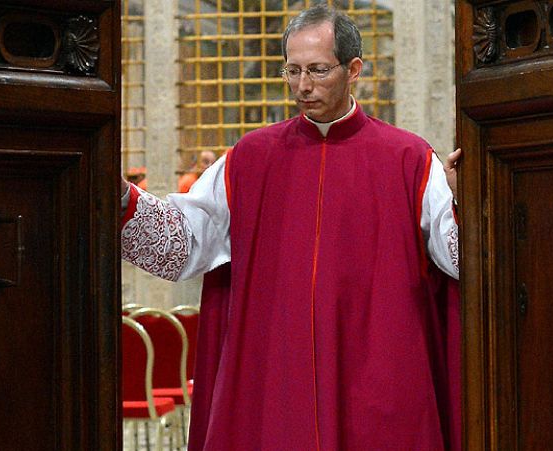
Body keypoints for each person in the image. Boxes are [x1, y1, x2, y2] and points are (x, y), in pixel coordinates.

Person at [120, 5, 462, 450]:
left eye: (318, 70)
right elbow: (183, 243)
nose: (303, 86)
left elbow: (458, 261)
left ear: (353, 69)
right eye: (293, 70)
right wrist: (121, 198)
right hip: (276, 376)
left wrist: (465, 200)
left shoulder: (409, 159)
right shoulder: (249, 158)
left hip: (378, 374)